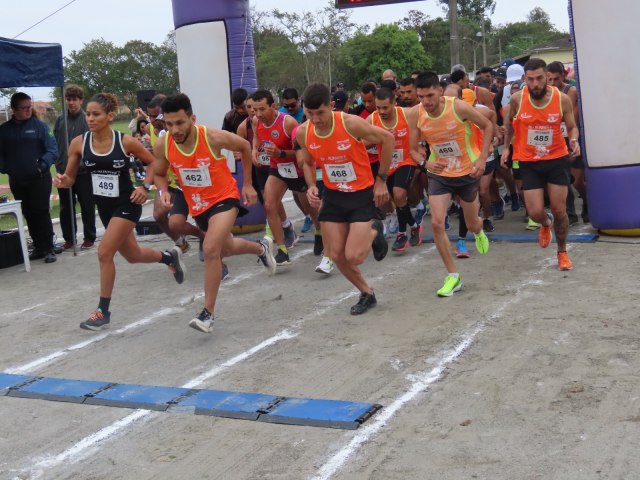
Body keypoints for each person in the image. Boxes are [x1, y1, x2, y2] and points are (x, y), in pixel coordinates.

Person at [54, 93, 185, 330]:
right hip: (104, 206)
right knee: (132, 255)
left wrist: (145, 187)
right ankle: (168, 257)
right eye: (88, 114)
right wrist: (63, 181)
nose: (90, 118)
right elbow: (71, 177)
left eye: (96, 114)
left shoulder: (125, 142)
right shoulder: (79, 143)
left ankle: (102, 311)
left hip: (127, 203)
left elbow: (153, 163)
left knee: (104, 252)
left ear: (110, 116)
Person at [154, 93, 276, 333]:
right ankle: (261, 248)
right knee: (226, 248)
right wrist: (163, 192)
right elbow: (159, 172)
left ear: (192, 118)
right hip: (198, 204)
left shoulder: (210, 137)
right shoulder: (164, 143)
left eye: (180, 122)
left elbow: (242, 145)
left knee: (211, 249)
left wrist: (248, 184)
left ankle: (207, 313)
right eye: (169, 124)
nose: (175, 129)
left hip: (224, 198)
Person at [297, 83, 394, 315]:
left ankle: (374, 229)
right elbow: (307, 161)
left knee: (355, 256)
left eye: (320, 113)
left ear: (330, 106)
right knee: (336, 254)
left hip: (360, 194)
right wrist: (311, 186)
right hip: (333, 195)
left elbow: (388, 139)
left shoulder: (349, 123)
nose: (316, 119)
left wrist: (381, 180)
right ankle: (366, 293)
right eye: (310, 114)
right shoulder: (303, 132)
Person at [407, 72, 492, 297]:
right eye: (421, 96)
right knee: (436, 223)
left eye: (430, 95)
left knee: (472, 223)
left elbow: (487, 126)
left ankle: (478, 230)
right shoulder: (415, 113)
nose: (426, 101)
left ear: (440, 91)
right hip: (440, 173)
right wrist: (425, 163)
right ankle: (453, 276)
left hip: (466, 171)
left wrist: (482, 158)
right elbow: (413, 149)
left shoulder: (459, 107)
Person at [501, 58, 580, 271]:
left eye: (539, 79)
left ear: (547, 77)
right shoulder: (517, 99)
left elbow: (572, 127)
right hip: (529, 160)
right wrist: (507, 148)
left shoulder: (561, 99)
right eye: (530, 79)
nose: (535, 84)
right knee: (535, 212)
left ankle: (562, 251)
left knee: (560, 209)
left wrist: (573, 140)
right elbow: (508, 125)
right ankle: (546, 223)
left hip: (556, 159)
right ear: (524, 79)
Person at [252, 89, 319, 266]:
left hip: (297, 169)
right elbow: (257, 138)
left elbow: (301, 152)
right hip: (278, 168)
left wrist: (281, 152)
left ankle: (320, 232)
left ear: (273, 106)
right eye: (255, 110)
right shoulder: (255, 121)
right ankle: (282, 249)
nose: (258, 114)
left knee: (311, 208)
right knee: (269, 203)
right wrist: (254, 151)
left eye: (262, 109)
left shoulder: (288, 123)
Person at [0, 92, 58, 263]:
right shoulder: (4, 131)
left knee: (41, 211)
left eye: (29, 107)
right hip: (18, 179)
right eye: (23, 108)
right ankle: (38, 247)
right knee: (28, 213)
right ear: (14, 109)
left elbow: (52, 149)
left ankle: (49, 248)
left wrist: (42, 165)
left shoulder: (40, 127)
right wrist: (6, 168)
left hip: (39, 178)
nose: (27, 111)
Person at [369, 87, 422, 251]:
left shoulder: (406, 114)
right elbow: (360, 138)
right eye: (378, 107)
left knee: (399, 194)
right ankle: (414, 226)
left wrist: (420, 145)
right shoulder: (372, 119)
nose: (381, 111)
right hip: (386, 164)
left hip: (406, 159)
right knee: (396, 199)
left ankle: (401, 234)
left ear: (394, 103)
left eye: (385, 107)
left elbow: (423, 127)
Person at [53, 84, 96, 251]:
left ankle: (89, 237)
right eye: (69, 99)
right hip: (64, 170)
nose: (71, 102)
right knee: (66, 208)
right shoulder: (60, 119)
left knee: (87, 205)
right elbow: (56, 140)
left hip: (83, 172)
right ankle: (69, 238)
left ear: (81, 100)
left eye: (75, 99)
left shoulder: (86, 119)